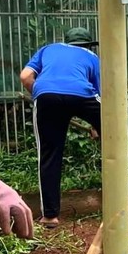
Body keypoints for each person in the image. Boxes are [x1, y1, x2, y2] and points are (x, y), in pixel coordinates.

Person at [20, 27, 101, 228]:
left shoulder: (48, 49)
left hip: (46, 97)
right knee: (114, 132)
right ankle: (117, 200)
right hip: (82, 95)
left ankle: (50, 216)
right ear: (88, 44)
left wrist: (41, 92)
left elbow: (25, 77)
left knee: (49, 155)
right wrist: (98, 126)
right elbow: (102, 93)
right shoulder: (91, 56)